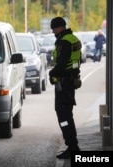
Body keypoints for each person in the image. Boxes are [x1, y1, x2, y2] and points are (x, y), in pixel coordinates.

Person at [49, 17, 82, 159]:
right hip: (71, 80)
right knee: (67, 113)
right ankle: (72, 145)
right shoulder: (73, 38)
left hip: (64, 82)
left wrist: (52, 73)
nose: (53, 31)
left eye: (54, 28)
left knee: (63, 115)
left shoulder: (64, 42)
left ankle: (72, 147)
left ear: (60, 27)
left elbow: (62, 64)